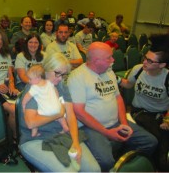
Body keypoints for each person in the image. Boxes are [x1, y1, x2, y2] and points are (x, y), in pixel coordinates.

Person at [67, 42, 158, 172]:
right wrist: (106, 132)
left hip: (115, 122)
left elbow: (118, 98)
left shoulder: (108, 71)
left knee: (150, 142)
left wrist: (124, 123)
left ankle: (122, 164)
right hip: (91, 128)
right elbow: (79, 112)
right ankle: (114, 165)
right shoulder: (77, 77)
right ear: (96, 60)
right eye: (109, 57)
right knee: (105, 161)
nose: (113, 60)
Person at [19, 52, 100, 172]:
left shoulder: (62, 86)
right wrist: (58, 114)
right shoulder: (36, 86)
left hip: (61, 134)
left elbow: (71, 116)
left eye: (63, 75)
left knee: (94, 170)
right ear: (46, 69)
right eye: (57, 73)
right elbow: (31, 123)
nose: (60, 78)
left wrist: (76, 142)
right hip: (36, 140)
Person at [119, 33, 169, 171]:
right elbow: (128, 84)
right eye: (145, 58)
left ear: (162, 65)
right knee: (156, 140)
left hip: (161, 116)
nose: (145, 62)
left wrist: (168, 120)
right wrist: (114, 79)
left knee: (164, 145)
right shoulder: (139, 69)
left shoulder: (167, 77)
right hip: (139, 112)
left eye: (150, 61)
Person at [22, 64, 69, 137]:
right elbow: (55, 92)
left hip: (45, 111)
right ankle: (65, 126)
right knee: (61, 117)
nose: (29, 81)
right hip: (57, 108)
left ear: (38, 78)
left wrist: (23, 104)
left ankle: (34, 132)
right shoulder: (49, 83)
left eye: (30, 79)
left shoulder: (34, 87)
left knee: (36, 118)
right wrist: (57, 102)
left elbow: (27, 97)